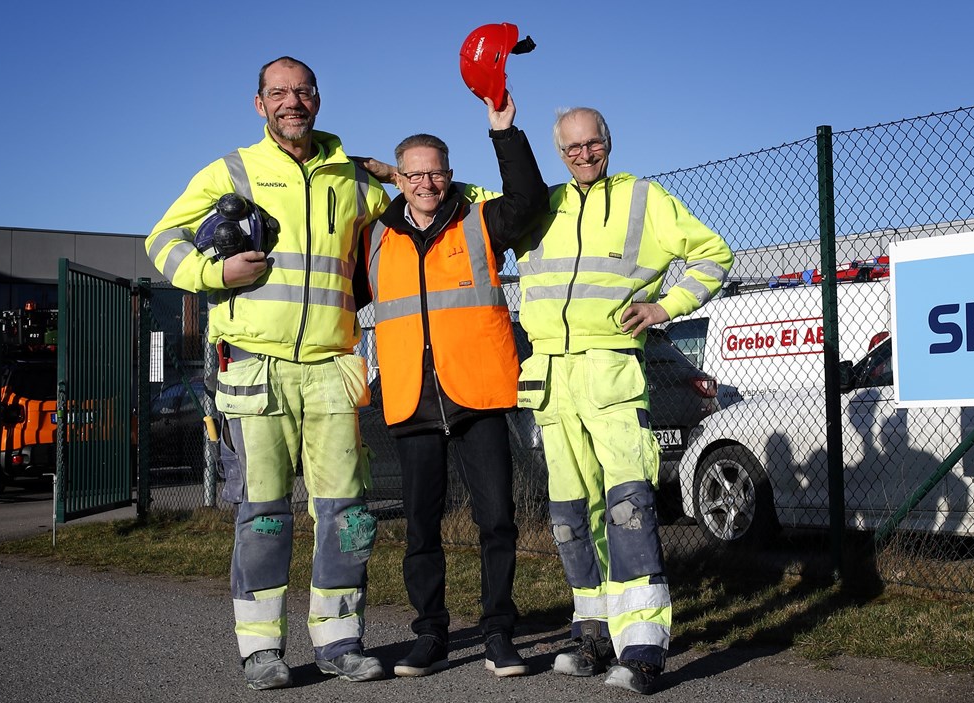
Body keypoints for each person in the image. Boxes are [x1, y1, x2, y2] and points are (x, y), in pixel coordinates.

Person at [145, 56, 391, 690]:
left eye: (302, 91)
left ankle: (340, 638)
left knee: (347, 513)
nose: (292, 101)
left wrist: (393, 173)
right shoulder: (233, 170)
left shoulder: (356, 181)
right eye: (278, 92)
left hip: (333, 368)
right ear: (260, 104)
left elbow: (392, 244)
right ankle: (260, 649)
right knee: (264, 515)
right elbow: (161, 238)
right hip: (256, 371)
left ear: (318, 98)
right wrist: (212, 274)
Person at [514, 107, 734, 695]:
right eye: (573, 148)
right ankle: (590, 629)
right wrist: (393, 171)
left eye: (595, 144)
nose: (585, 155)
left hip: (612, 373)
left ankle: (643, 645)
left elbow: (713, 254)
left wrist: (667, 307)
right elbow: (449, 195)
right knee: (569, 515)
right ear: (558, 151)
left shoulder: (643, 198)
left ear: (609, 143)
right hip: (551, 380)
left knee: (628, 508)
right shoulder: (541, 203)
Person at [362, 92, 547, 678]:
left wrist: (504, 132)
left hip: (478, 394)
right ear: (400, 178)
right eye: (414, 174)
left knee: (497, 520)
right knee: (421, 527)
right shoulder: (373, 239)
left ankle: (498, 632)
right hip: (411, 398)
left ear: (449, 173)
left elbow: (531, 202)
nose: (426, 184)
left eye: (436, 172)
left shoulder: (480, 220)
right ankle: (430, 633)